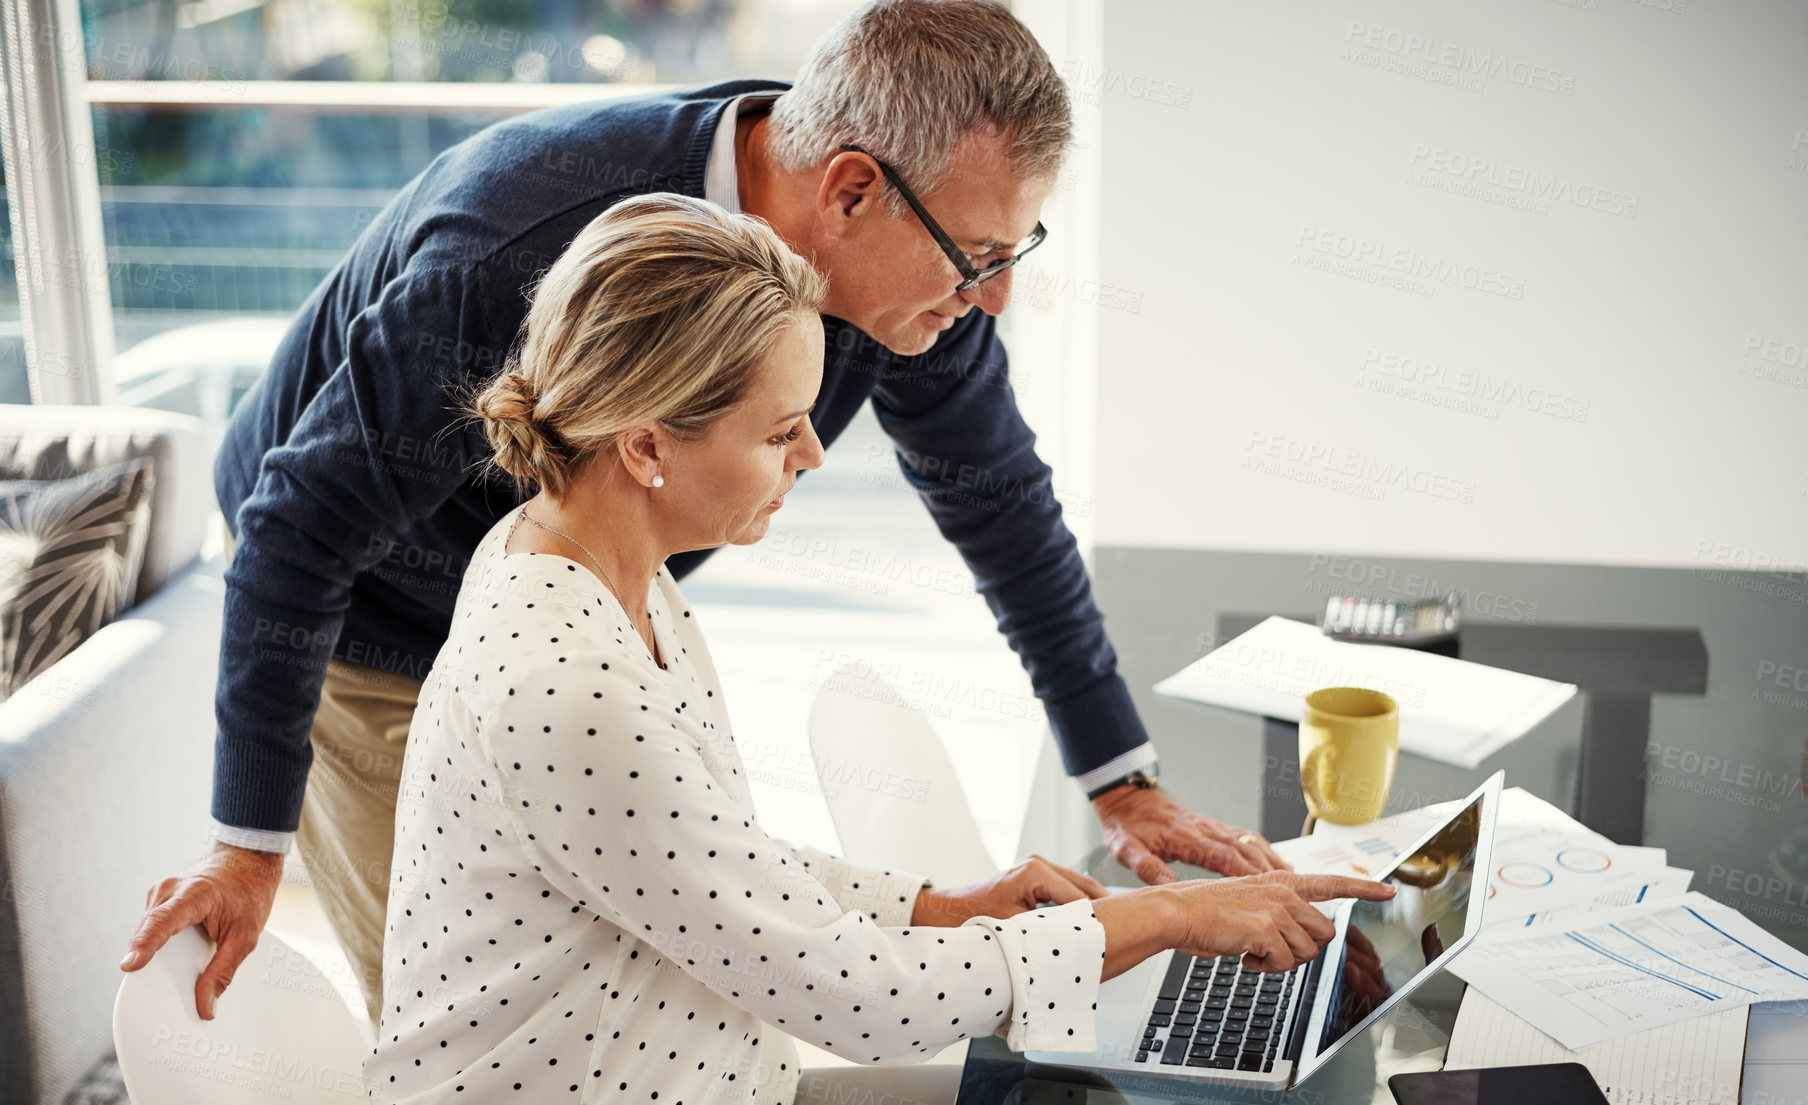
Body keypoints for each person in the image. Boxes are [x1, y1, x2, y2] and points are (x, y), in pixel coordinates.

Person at [121, 0, 1291, 1029]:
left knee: (658, 980)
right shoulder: (515, 246)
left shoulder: (905, 276)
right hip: (366, 609)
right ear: (848, 189)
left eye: (1011, 252)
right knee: (495, 1008)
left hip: (582, 607)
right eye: (976, 257)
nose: (990, 296)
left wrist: (1118, 779)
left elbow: (1001, 505)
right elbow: (295, 528)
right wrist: (247, 846)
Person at [366, 191, 1392, 1103]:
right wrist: (1170, 919)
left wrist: (943, 906)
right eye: (780, 432)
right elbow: (856, 1003)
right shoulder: (570, 686)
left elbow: (717, 858)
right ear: (644, 445)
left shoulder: (589, 561)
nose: (811, 454)